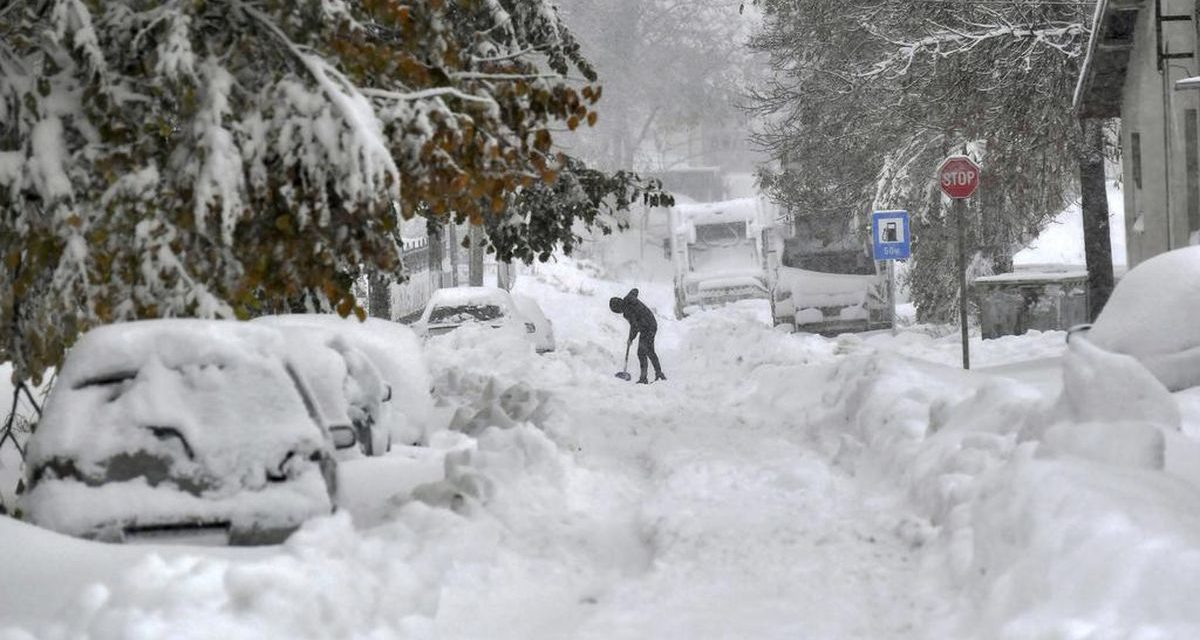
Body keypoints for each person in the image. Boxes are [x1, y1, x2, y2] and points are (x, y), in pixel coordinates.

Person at [609, 288, 666, 384]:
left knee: (642, 352)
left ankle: (645, 378)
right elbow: (635, 290)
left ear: (618, 309)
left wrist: (630, 339)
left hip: (647, 328)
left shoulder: (628, 311)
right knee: (649, 351)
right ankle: (658, 374)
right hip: (651, 324)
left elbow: (634, 326)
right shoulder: (629, 298)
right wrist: (632, 298)